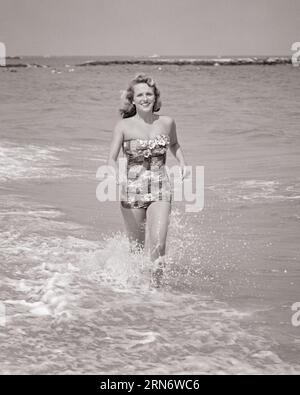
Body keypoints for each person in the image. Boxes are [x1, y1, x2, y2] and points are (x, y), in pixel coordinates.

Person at [107, 73, 187, 287]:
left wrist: (182, 162)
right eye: (140, 95)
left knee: (159, 245)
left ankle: (156, 291)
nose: (145, 98)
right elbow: (111, 158)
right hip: (131, 191)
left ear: (155, 97)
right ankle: (134, 290)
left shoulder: (167, 122)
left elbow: (175, 144)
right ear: (132, 99)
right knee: (136, 249)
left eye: (149, 94)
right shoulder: (123, 126)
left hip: (161, 189)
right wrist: (117, 176)